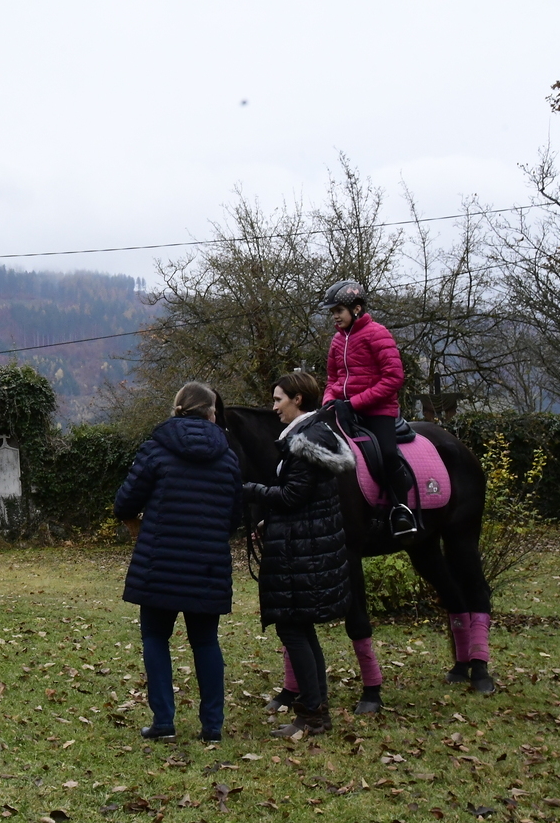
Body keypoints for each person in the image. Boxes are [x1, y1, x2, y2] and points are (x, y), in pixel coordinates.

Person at [114, 382, 243, 742]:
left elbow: (125, 502)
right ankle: (212, 726)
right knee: (206, 642)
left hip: (160, 561)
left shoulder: (156, 449)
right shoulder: (228, 456)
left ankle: (164, 722)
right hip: (208, 564)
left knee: (156, 637)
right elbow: (235, 517)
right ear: (211, 413)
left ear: (178, 408)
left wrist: (140, 522)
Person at [243, 371, 352, 738]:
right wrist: (269, 521)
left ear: (298, 400)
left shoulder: (305, 441)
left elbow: (292, 496)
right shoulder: (313, 435)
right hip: (306, 545)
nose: (274, 407)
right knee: (301, 628)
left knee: (293, 628)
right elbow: (303, 498)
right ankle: (316, 710)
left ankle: (312, 715)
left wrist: (249, 490)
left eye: (279, 399)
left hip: (302, 551)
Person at [321, 280, 415, 536]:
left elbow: (393, 378)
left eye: (339, 310)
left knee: (387, 453)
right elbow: (332, 379)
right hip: (343, 409)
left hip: (378, 410)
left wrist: (355, 402)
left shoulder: (377, 333)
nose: (335, 316)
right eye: (333, 312)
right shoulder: (337, 341)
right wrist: (328, 401)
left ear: (357, 309)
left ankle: (402, 510)